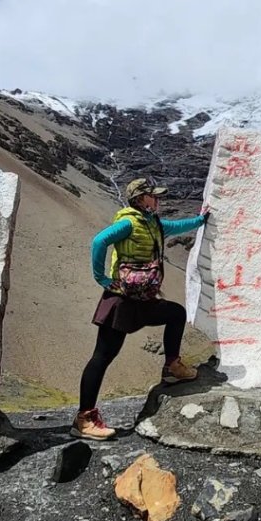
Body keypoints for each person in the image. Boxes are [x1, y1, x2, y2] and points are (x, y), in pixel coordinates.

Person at [71, 177, 208, 441]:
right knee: (103, 356)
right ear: (139, 198)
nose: (157, 199)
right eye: (152, 196)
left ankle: (172, 368)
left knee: (176, 313)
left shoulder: (153, 223)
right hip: (121, 300)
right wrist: (101, 278)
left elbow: (177, 226)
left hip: (142, 298)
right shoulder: (128, 222)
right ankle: (84, 419)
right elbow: (99, 242)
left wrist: (201, 220)